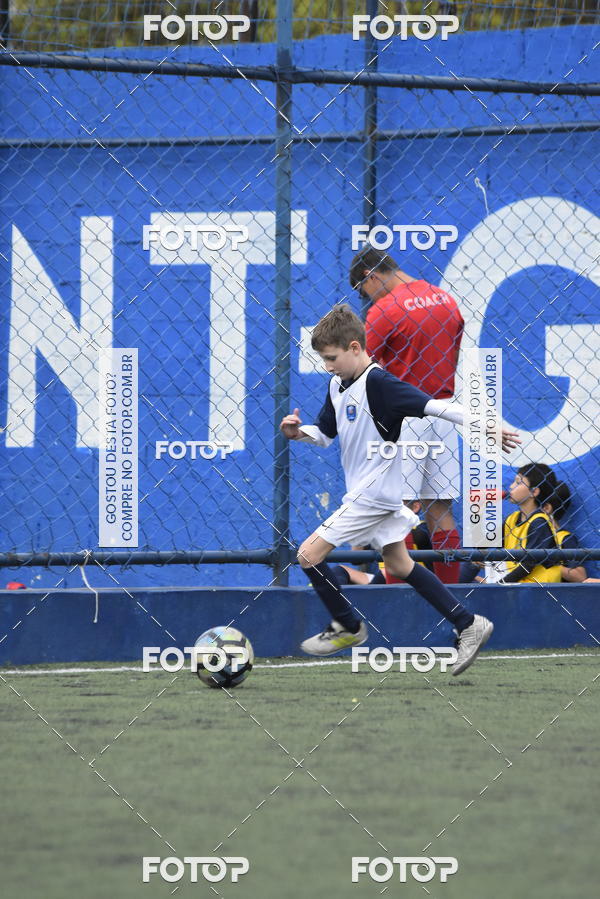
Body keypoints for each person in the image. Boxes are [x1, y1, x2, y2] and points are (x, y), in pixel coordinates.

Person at [279, 305, 520, 675]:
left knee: (308, 555)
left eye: (332, 358)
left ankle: (347, 626)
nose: (328, 366)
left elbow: (437, 408)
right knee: (399, 563)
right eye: (324, 359)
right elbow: (326, 434)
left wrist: (487, 427)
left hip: (372, 496)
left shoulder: (380, 384)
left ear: (356, 347)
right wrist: (299, 433)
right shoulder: (336, 384)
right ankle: (468, 624)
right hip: (374, 494)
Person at [349, 245, 464, 583]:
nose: (365, 297)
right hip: (443, 409)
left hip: (404, 415)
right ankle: (449, 595)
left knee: (395, 512)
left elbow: (363, 369)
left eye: (362, 289)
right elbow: (454, 350)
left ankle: (399, 599)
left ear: (370, 277)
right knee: (440, 510)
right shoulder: (444, 299)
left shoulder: (384, 310)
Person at [542, 483, 588, 583]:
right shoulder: (522, 533)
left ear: (546, 508)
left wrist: (548, 562)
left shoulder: (564, 538)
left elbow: (580, 577)